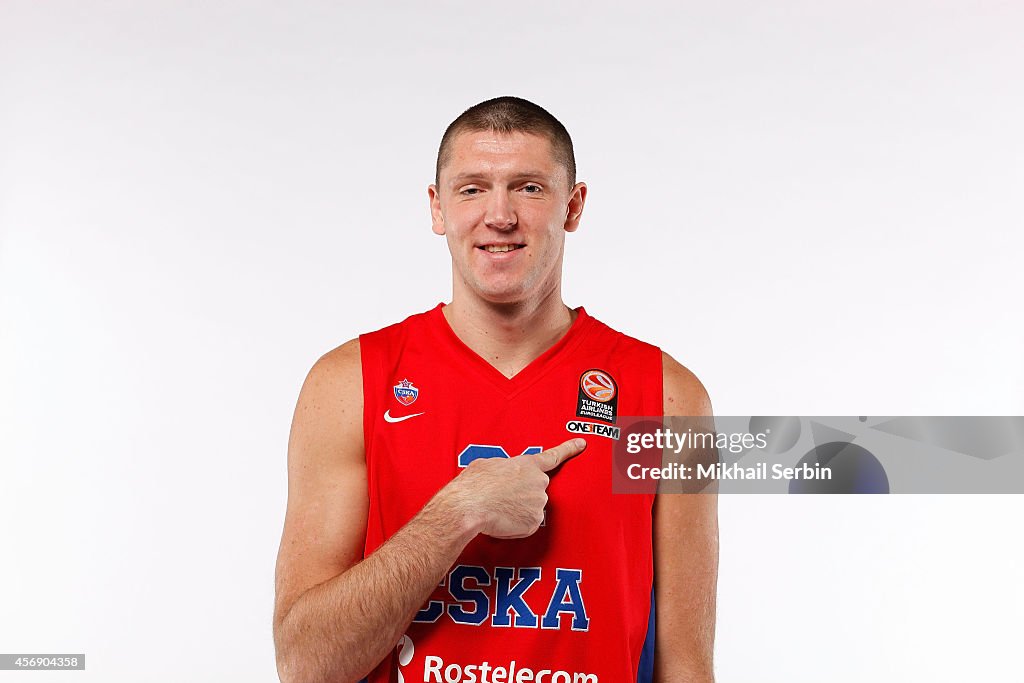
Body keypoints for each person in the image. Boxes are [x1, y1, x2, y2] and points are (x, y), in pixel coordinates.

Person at [272, 96, 718, 683]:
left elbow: (686, 666)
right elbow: (306, 665)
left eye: (529, 188)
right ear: (437, 208)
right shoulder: (350, 384)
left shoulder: (667, 397)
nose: (500, 215)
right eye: (472, 188)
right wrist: (457, 513)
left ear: (574, 205)